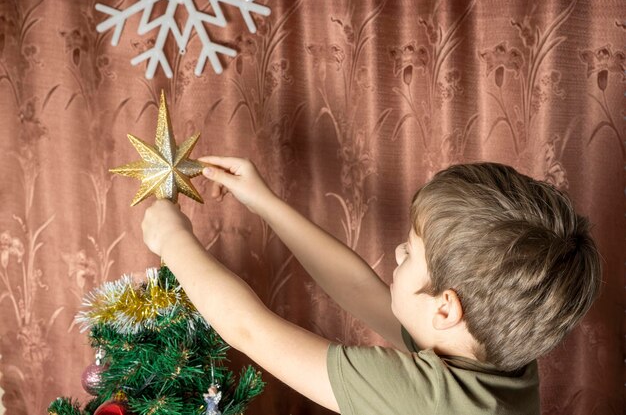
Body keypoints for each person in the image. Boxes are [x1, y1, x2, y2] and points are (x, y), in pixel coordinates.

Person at [141, 156, 601, 415]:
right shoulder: (497, 357)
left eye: (410, 251)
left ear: (445, 309)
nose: (397, 254)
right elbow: (361, 291)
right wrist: (264, 202)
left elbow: (249, 331)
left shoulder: (426, 402)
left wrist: (172, 239)